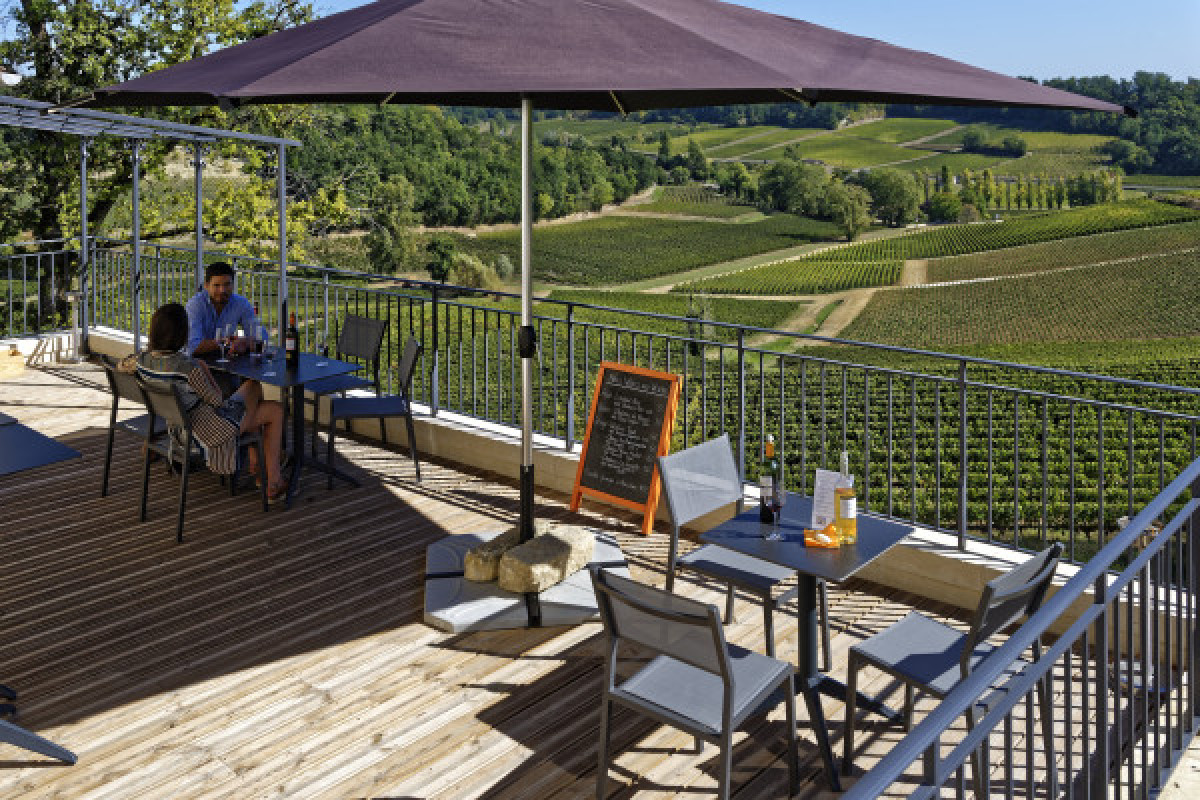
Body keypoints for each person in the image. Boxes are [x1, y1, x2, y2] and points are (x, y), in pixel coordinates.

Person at [137, 303, 288, 501]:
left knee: (270, 405)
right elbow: (217, 401)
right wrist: (204, 370)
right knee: (259, 393)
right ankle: (271, 480)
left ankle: (259, 467)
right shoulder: (188, 368)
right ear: (182, 333)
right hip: (207, 432)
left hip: (177, 429)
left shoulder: (143, 361)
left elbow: (125, 364)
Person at [186, 261, 259, 358]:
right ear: (206, 286)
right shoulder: (195, 305)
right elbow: (192, 346)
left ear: (233, 284)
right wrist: (226, 342)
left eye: (227, 284)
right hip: (196, 363)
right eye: (216, 285)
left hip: (226, 360)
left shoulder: (241, 303)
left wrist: (244, 342)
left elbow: (259, 336)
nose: (222, 290)